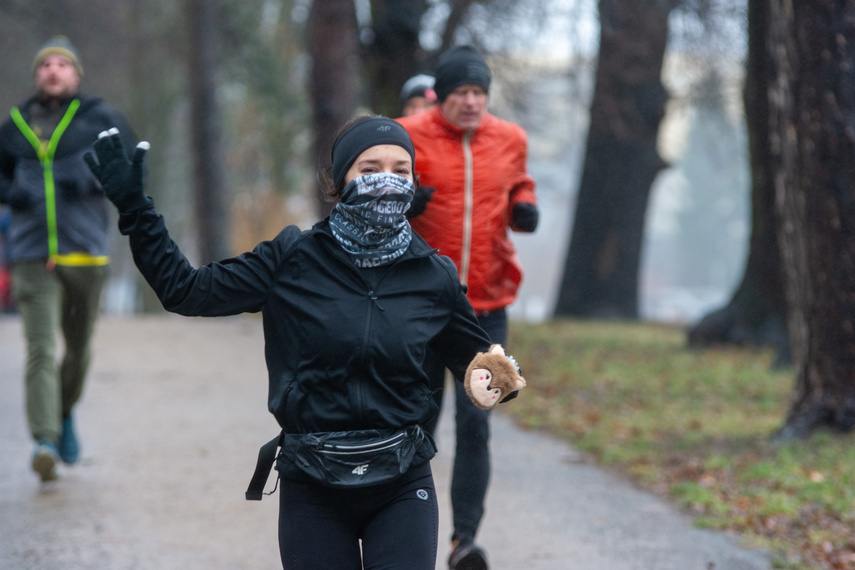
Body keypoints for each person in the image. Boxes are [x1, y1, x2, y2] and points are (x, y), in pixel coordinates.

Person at [83, 116, 523, 569]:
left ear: (414, 182)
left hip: (401, 480)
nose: (386, 182)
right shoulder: (293, 258)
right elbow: (185, 290)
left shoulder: (434, 275)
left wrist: (494, 379)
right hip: (312, 484)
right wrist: (136, 210)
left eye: (400, 170)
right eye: (369, 170)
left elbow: (482, 363)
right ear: (339, 181)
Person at [397, 45, 539, 570]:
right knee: (418, 420)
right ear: (442, 95)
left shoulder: (511, 138)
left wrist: (525, 205)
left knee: (477, 422)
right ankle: (405, 534)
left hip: (486, 304)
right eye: (462, 93)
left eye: (480, 93)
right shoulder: (407, 135)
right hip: (420, 306)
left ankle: (464, 543)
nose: (472, 103)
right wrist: (404, 198)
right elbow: (372, 185)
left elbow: (519, 181)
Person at [0, 36, 138, 482]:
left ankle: (62, 416)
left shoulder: (99, 119)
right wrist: (12, 194)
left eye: (62, 64)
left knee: (77, 351)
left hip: (85, 253)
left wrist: (95, 184)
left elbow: (133, 165)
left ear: (76, 75)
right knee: (40, 349)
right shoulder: (14, 127)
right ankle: (43, 440)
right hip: (31, 253)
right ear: (36, 74)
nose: (53, 70)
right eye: (45, 65)